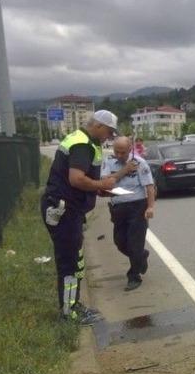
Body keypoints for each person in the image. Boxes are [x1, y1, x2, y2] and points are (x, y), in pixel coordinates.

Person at [41, 110, 136, 324]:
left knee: (76, 262)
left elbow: (83, 180)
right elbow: (76, 179)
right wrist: (101, 185)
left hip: (70, 210)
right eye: (109, 132)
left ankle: (73, 306)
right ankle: (69, 314)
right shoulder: (83, 144)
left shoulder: (85, 141)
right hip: (64, 211)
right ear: (99, 126)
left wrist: (97, 189)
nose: (109, 137)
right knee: (69, 263)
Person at [101, 136, 156, 291]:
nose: (119, 155)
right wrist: (124, 170)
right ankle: (142, 256)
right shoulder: (109, 162)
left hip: (137, 207)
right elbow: (106, 183)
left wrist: (150, 207)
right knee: (120, 242)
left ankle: (134, 276)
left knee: (134, 243)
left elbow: (149, 186)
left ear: (130, 149)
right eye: (116, 151)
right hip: (118, 208)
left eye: (123, 152)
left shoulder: (140, 163)